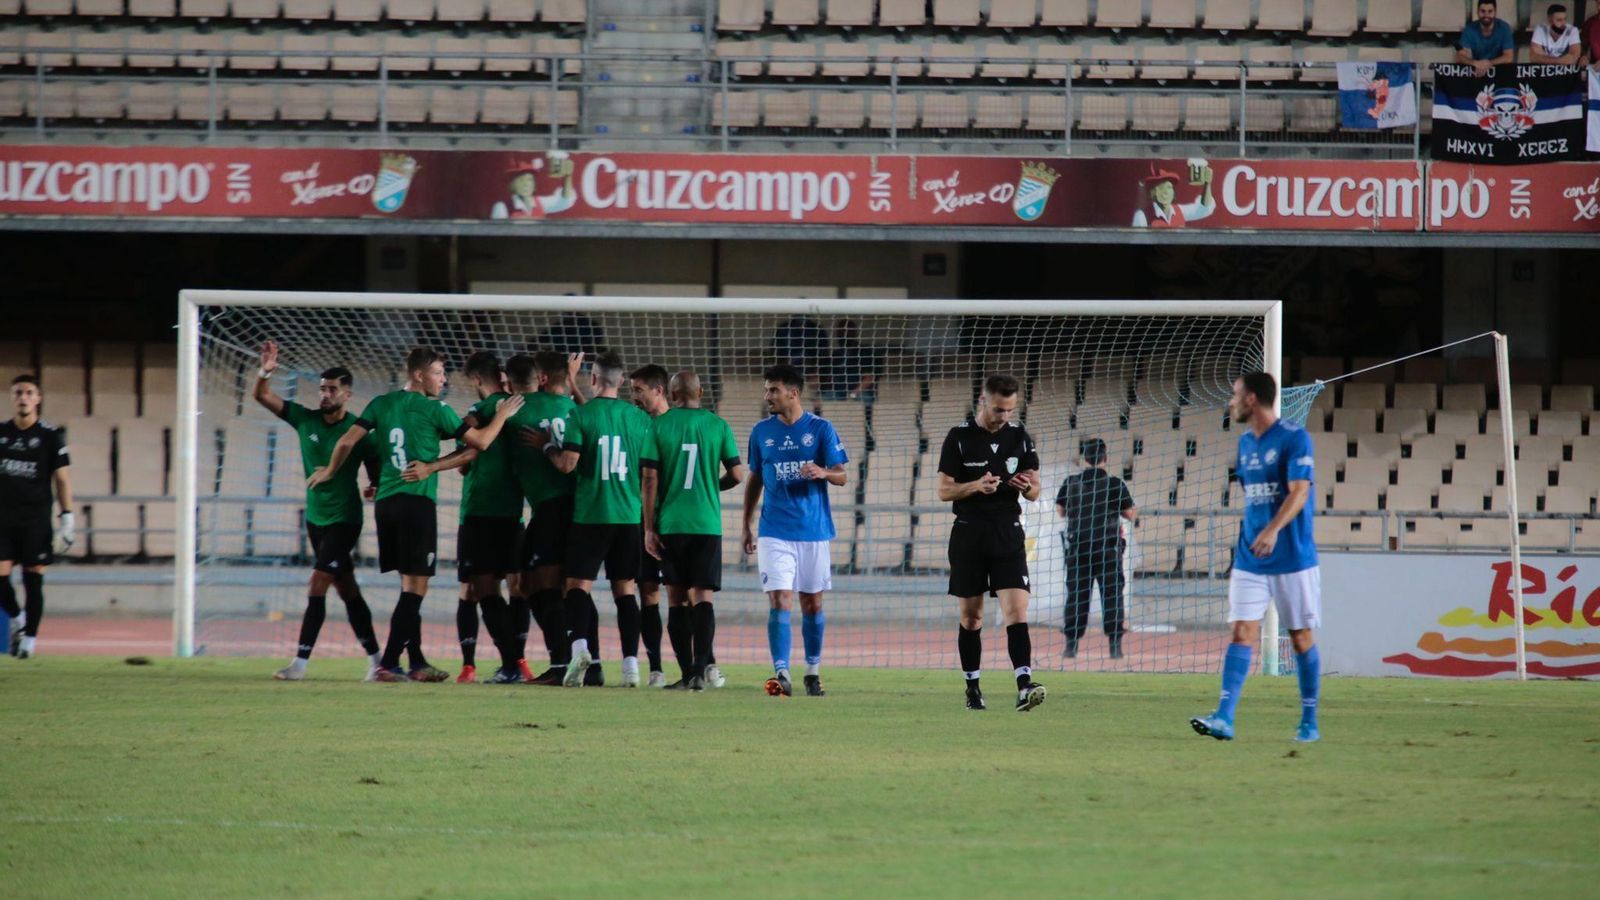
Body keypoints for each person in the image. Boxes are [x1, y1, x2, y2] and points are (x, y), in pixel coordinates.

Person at [308, 347, 523, 683]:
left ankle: (417, 661)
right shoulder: (434, 408)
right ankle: (389, 663)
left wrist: (330, 471)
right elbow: (479, 443)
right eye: (439, 373)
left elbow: (347, 442)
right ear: (420, 375)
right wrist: (501, 416)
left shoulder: (381, 403)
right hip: (416, 505)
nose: (444, 379)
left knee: (408, 587)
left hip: (387, 504)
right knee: (415, 590)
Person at [1191, 372, 1322, 743]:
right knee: (1242, 631)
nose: (1230, 402)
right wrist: (1257, 533)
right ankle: (1224, 717)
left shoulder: (1295, 438)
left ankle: (1309, 721)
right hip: (1250, 556)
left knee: (1299, 637)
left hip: (1292, 555)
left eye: (1235, 395)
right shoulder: (1246, 443)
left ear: (1251, 400)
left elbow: (1299, 492)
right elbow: (1255, 497)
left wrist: (1273, 529)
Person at [252, 343, 384, 681]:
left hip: (345, 519)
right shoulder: (304, 418)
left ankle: (300, 663)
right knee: (347, 589)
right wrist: (266, 372)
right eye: (322, 388)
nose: (325, 394)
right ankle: (376, 659)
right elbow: (262, 396)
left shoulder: (358, 430)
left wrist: (374, 484)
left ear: (347, 393)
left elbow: (375, 461)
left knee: (318, 582)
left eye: (332, 389)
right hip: (316, 519)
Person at [528, 352, 653, 688]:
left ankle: (580, 648)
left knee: (577, 587)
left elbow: (567, 464)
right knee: (625, 590)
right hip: (628, 516)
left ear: (594, 379)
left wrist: (546, 447)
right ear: (622, 381)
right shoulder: (639, 419)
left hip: (590, 515)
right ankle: (630, 667)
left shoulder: (579, 416)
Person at [404, 351, 527, 685]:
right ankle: (518, 661)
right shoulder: (520, 405)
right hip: (514, 512)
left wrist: (431, 466)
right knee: (516, 588)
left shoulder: (480, 411)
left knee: (481, 588)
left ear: (475, 380)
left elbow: (468, 456)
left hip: (479, 511)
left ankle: (508, 665)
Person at [937, 374, 1046, 713]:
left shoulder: (1020, 438)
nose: (1004, 416)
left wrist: (1025, 486)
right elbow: (944, 491)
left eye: (1010, 410)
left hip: (1007, 532)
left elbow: (1035, 490)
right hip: (969, 533)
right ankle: (973, 689)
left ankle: (1024, 685)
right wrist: (975, 486)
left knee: (1017, 610)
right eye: (999, 409)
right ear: (984, 401)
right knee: (972, 618)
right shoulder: (958, 438)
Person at [743, 364, 850, 698]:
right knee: (779, 598)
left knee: (813, 605)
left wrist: (822, 471)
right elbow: (756, 478)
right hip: (774, 529)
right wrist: (747, 523)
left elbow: (842, 475)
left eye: (773, 390)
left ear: (793, 392)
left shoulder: (820, 429)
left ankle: (812, 672)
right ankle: (781, 672)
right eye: (766, 390)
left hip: (813, 530)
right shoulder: (761, 432)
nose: (767, 396)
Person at [642, 370, 746, 691]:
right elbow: (739, 475)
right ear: (701, 392)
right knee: (703, 596)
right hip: (706, 523)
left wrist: (648, 528)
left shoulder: (658, 426)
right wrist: (712, 487)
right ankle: (702, 669)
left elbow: (649, 478)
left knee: (674, 597)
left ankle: (687, 673)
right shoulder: (718, 426)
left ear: (672, 395)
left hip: (673, 523)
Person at [508, 350, 586, 685]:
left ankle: (561, 664)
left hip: (555, 508)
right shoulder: (575, 410)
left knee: (543, 586)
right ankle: (574, 661)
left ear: (540, 378)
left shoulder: (523, 405)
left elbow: (490, 413)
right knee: (545, 586)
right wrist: (574, 383)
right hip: (570, 507)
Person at [0, 375, 72, 660]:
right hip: (2, 520)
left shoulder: (50, 437)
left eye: (29, 392)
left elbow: (63, 479)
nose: (23, 397)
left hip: (35, 521)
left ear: (38, 398)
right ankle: (17, 619)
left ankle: (30, 639)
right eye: (18, 392)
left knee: (33, 580)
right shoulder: (1, 433)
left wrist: (68, 517)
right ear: (11, 397)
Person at [1056, 438, 1138, 661]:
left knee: (1077, 597)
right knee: (1112, 597)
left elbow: (1060, 511)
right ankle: (1115, 646)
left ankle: (1071, 646)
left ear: (1085, 458)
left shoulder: (1071, 482)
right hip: (1107, 549)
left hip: (1078, 549)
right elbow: (1130, 514)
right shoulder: (1115, 484)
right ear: (1105, 458)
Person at [629, 364, 672, 687]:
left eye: (639, 390)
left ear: (659, 390)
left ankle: (704, 664)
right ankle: (656, 668)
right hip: (641, 522)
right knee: (648, 592)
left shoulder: (677, 426)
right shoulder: (637, 424)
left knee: (685, 595)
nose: (634, 397)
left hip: (675, 523)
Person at [1130, 166, 1213, 228]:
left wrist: (1207, 184)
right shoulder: (1142, 216)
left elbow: (1204, 209)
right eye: (1161, 188)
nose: (1165, 192)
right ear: (1153, 193)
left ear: (1173, 192)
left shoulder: (1180, 211)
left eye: (1169, 188)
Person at [822, 319, 881, 402]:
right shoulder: (836, 353)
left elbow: (869, 377)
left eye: (847, 332)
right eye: (841, 332)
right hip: (839, 391)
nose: (844, 335)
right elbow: (831, 377)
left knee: (865, 399)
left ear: (854, 333)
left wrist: (854, 393)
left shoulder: (864, 352)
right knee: (823, 399)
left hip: (859, 391)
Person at [1456, 0, 1515, 76]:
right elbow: (1460, 56)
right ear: (1477, 12)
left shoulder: (1504, 28)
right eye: (1483, 11)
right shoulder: (1469, 29)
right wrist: (1475, 63)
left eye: (1490, 11)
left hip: (1500, 74)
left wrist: (1488, 64)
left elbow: (1509, 57)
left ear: (1495, 12)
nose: (1486, 15)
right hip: (1475, 73)